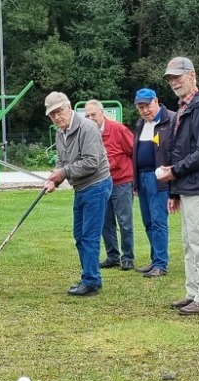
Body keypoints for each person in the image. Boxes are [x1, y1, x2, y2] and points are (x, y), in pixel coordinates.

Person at [159, 57, 199, 315]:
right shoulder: (184, 109)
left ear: (192, 75)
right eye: (170, 79)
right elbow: (179, 151)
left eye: (178, 76)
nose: (174, 82)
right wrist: (174, 190)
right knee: (189, 242)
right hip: (187, 187)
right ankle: (194, 292)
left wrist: (174, 172)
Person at [42, 92, 112, 297]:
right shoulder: (60, 132)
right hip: (81, 188)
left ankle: (91, 281)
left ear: (69, 107)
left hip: (97, 185)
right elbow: (62, 163)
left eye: (59, 111)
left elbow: (91, 163)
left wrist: (62, 173)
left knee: (89, 236)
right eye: (52, 114)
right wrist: (54, 180)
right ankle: (89, 276)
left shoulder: (87, 128)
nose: (56, 117)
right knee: (79, 235)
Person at [84, 100, 135, 271]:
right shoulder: (86, 134)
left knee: (125, 221)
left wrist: (134, 179)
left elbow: (133, 151)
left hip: (121, 181)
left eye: (93, 114)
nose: (90, 118)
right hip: (100, 183)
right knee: (105, 222)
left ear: (102, 113)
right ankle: (113, 256)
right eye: (87, 115)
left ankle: (127, 257)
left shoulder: (118, 129)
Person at [132, 88, 175, 278]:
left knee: (158, 221)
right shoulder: (140, 124)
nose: (144, 111)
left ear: (156, 101)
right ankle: (154, 259)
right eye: (140, 107)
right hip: (141, 178)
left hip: (159, 178)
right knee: (148, 221)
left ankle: (160, 264)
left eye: (146, 106)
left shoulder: (170, 120)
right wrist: (135, 182)